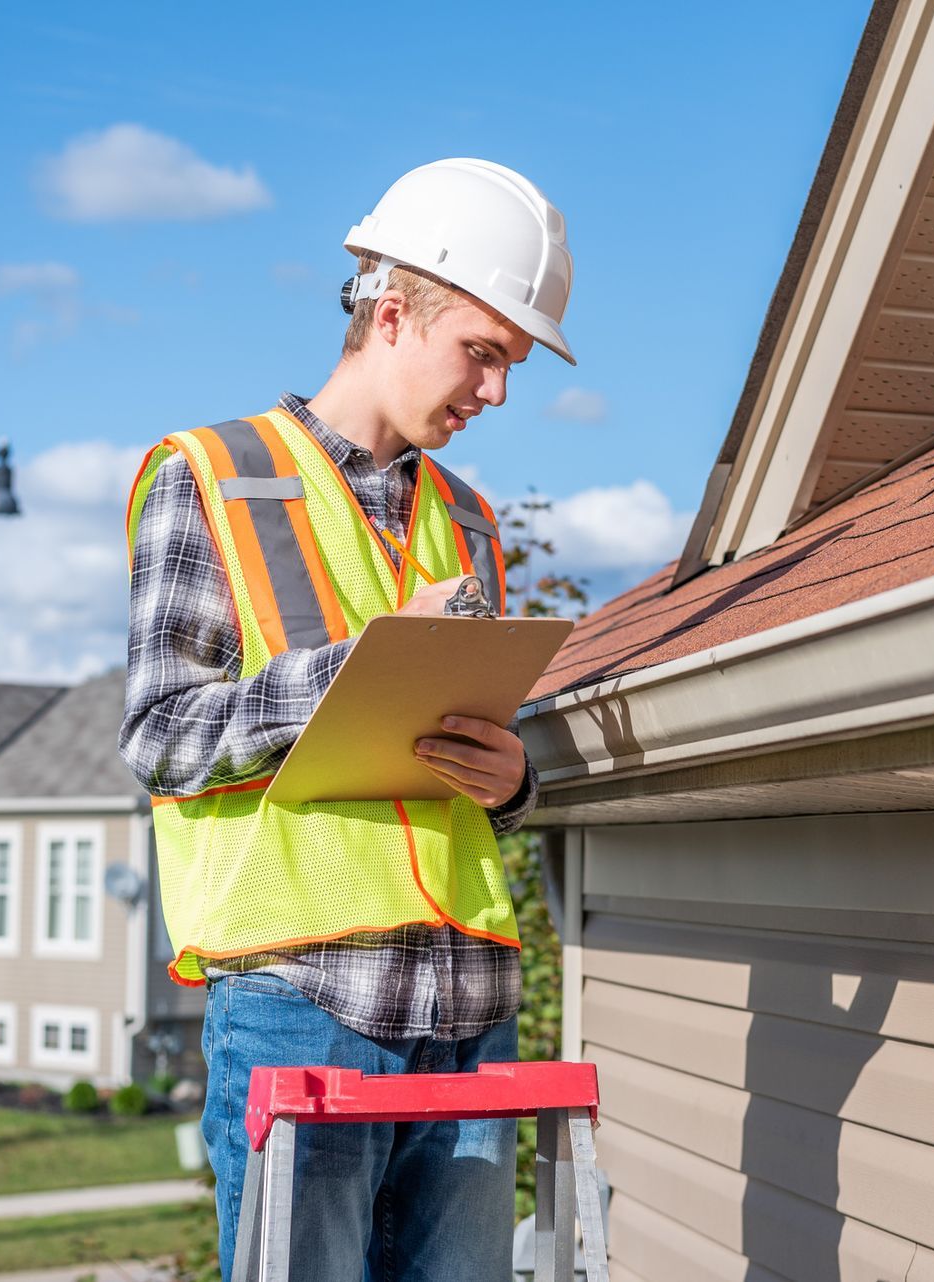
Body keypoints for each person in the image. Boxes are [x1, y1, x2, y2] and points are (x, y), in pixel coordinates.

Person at [119, 158, 575, 1282]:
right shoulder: (211, 478)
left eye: (511, 366)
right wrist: (351, 670)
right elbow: (162, 736)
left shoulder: (467, 521)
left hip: (469, 1002)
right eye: (483, 353)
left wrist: (513, 780)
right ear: (390, 312)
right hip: (303, 997)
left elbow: (458, 770)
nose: (496, 392)